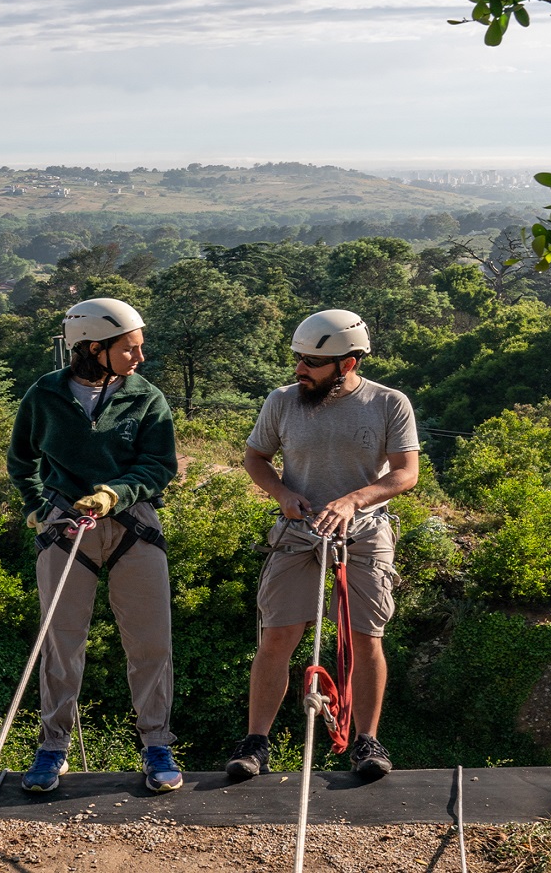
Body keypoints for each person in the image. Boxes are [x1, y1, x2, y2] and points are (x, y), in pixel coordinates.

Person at [226, 309, 420, 782]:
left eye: (312, 361)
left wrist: (354, 500)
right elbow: (255, 458)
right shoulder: (282, 401)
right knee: (276, 638)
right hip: (296, 534)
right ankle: (256, 743)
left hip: (363, 533)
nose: (300, 370)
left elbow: (404, 473)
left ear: (348, 364)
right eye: (299, 358)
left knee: (364, 640)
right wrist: (281, 492)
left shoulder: (389, 403)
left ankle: (366, 741)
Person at [7, 297, 183, 794]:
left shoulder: (146, 396)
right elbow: (21, 459)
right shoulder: (45, 395)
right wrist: (37, 504)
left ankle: (156, 743)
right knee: (61, 641)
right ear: (93, 348)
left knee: (150, 641)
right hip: (64, 522)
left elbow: (159, 465)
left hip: (133, 523)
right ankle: (52, 747)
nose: (140, 358)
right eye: (129, 349)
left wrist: (114, 493)